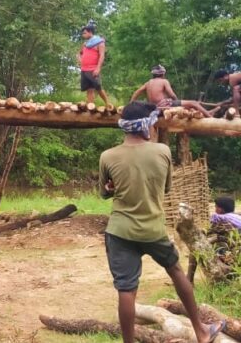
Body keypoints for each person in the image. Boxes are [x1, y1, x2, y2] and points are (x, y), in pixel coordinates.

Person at [99, 101, 224, 343]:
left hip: (120, 231)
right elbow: (166, 188)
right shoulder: (162, 152)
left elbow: (104, 193)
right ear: (147, 126)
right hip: (153, 230)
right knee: (176, 272)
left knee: (126, 289)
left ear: (125, 127)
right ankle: (200, 330)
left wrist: (110, 187)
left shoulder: (107, 156)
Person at [130, 65, 213, 117]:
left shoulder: (148, 83)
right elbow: (171, 94)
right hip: (162, 107)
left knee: (186, 105)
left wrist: (131, 103)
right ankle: (209, 116)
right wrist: (177, 102)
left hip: (153, 107)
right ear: (162, 74)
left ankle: (206, 112)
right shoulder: (164, 81)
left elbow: (136, 92)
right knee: (193, 103)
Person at [79, 20, 112, 107]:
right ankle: (90, 105)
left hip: (93, 69)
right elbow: (79, 53)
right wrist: (80, 61)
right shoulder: (85, 44)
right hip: (84, 69)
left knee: (98, 87)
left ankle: (108, 104)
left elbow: (102, 56)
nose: (83, 35)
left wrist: (98, 68)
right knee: (89, 89)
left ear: (90, 32)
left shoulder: (100, 42)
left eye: (85, 33)